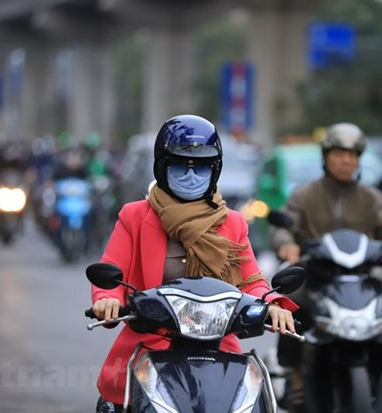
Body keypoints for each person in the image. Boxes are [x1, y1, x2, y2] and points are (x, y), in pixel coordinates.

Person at [90, 114, 299, 413]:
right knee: (115, 407)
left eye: (201, 166)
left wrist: (274, 304)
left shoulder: (233, 222)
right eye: (180, 166)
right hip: (151, 342)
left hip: (217, 346)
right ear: (162, 167)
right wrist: (108, 298)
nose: (191, 175)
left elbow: (251, 280)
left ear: (214, 170)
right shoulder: (134, 217)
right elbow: (112, 271)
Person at [270, 122, 382, 410]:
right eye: (339, 154)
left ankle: (381, 378)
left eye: (352, 155)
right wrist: (287, 243)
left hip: (361, 278)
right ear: (326, 156)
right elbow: (285, 223)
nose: (346, 160)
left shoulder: (371, 197)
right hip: (315, 276)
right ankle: (295, 376)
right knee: (290, 304)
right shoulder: (304, 195)